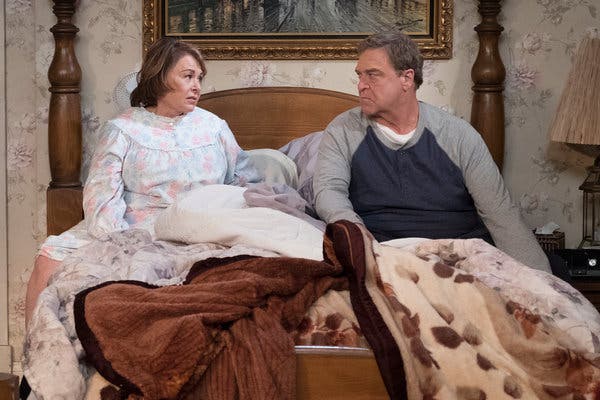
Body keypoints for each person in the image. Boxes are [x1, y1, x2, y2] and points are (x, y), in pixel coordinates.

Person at [25, 38, 258, 325]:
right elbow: (102, 197)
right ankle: (36, 348)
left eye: (199, 78)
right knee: (48, 257)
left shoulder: (214, 127)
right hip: (134, 226)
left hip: (201, 225)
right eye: (188, 76)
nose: (197, 86)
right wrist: (122, 244)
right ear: (160, 78)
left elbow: (244, 181)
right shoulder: (123, 129)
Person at [312, 31, 551, 272]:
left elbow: (500, 213)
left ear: (407, 78)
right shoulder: (342, 130)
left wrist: (541, 278)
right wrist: (357, 238)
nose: (361, 85)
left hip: (457, 251)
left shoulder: (458, 135)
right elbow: (329, 192)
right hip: (382, 251)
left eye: (372, 75)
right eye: (360, 75)